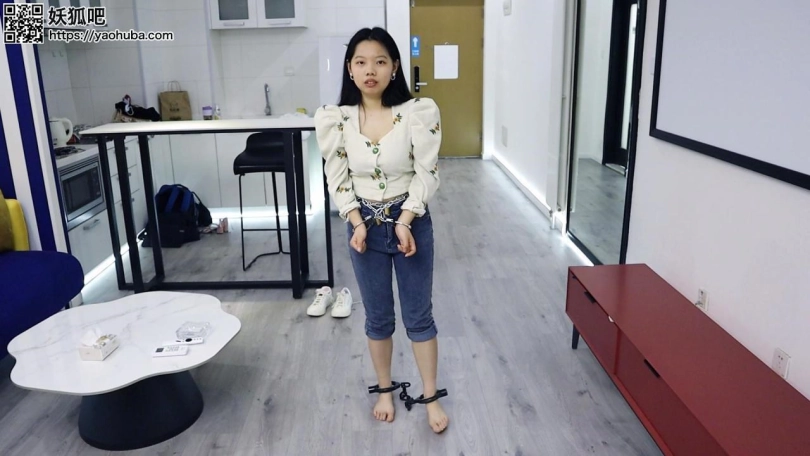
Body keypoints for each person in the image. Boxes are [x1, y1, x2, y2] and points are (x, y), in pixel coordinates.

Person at [314, 27, 449, 434]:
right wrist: (356, 223)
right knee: (377, 317)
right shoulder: (336, 119)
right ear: (349, 69)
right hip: (364, 228)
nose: (369, 70)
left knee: (419, 316)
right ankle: (385, 391)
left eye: (379, 61)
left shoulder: (417, 112)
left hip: (411, 223)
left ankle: (430, 397)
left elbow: (427, 172)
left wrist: (405, 220)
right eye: (360, 62)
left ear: (394, 67)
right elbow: (337, 178)